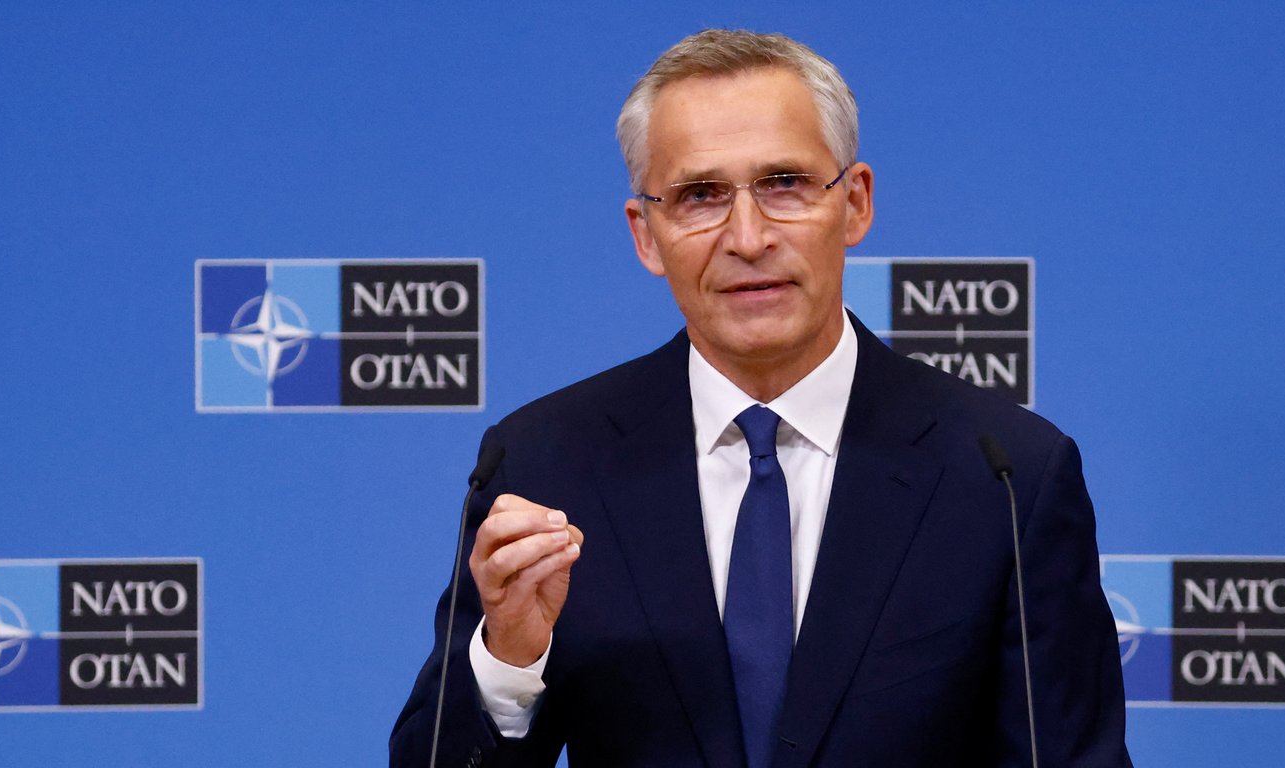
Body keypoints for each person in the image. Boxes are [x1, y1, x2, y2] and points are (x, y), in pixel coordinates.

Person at [391, 29, 1131, 768]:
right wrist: (509, 660)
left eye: (784, 183)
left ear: (855, 203)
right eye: (700, 196)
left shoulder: (1005, 476)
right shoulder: (548, 463)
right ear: (646, 234)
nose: (748, 238)